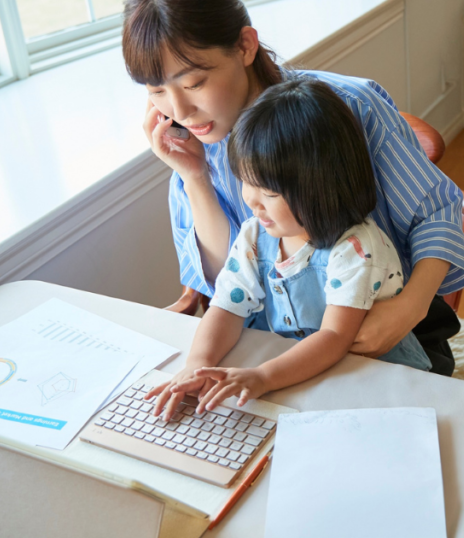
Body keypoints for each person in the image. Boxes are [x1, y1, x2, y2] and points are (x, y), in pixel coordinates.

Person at [121, 0, 464, 389]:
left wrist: (410, 307)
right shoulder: (192, 148)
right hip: (271, 339)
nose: (180, 110)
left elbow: (437, 211)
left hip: (382, 332)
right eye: (156, 92)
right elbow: (228, 282)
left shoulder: (348, 106)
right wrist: (195, 177)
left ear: (245, 46)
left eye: (193, 84)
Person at [148, 77, 431, 417]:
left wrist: (262, 376)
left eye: (268, 193)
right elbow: (225, 307)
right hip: (299, 371)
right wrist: (197, 364)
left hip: (374, 377)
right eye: (246, 183)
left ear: (321, 187)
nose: (252, 202)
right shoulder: (256, 235)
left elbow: (334, 338)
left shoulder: (355, 248)